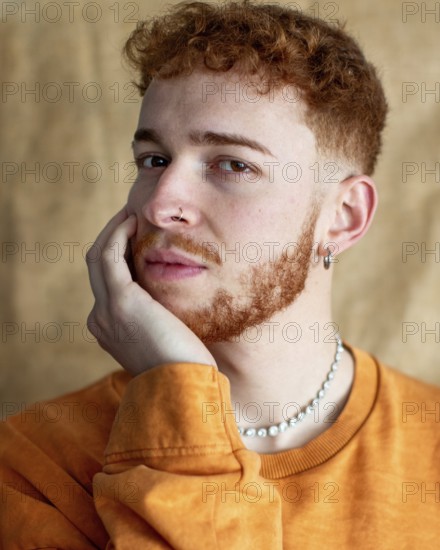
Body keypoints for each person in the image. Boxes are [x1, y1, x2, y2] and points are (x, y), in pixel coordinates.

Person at [1, 1, 439, 548]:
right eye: (154, 160)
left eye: (233, 164)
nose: (161, 207)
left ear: (343, 217)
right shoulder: (33, 463)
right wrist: (178, 386)